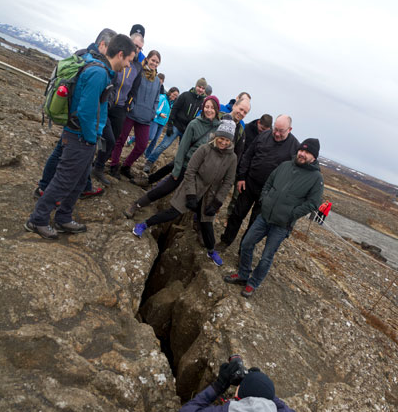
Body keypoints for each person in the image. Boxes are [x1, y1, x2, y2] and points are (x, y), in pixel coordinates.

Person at [24, 34, 135, 240]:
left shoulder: (98, 68)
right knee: (64, 180)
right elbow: (86, 111)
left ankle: (63, 217)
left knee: (78, 181)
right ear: (120, 54)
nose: (128, 65)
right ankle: (37, 219)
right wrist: (92, 138)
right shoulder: (98, 74)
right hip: (80, 137)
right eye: (128, 59)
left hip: (81, 135)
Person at [224, 138, 324, 297]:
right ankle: (243, 274)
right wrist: (265, 200)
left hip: (282, 225)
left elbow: (313, 203)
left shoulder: (316, 178)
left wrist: (291, 214)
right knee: (247, 243)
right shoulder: (285, 166)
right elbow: (269, 183)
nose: (302, 154)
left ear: (314, 157)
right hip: (264, 217)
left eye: (307, 152)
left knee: (266, 257)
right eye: (301, 150)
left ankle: (253, 283)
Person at [132, 119, 237, 267]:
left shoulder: (232, 158)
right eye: (221, 138)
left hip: (210, 194)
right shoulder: (204, 149)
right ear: (216, 136)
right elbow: (190, 171)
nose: (224, 142)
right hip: (193, 186)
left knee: (206, 223)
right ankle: (144, 224)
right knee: (172, 212)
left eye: (227, 140)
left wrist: (217, 202)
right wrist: (191, 194)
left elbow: (228, 182)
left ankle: (211, 250)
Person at [34, 28, 118, 199]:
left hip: (72, 115)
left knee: (65, 152)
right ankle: (46, 190)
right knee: (65, 154)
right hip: (77, 119)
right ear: (102, 44)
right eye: (111, 48)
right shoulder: (95, 64)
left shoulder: (84, 55)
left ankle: (77, 186)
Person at [124, 95, 221, 220]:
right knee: (166, 188)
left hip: (200, 172)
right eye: (207, 107)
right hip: (187, 165)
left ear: (217, 109)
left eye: (212, 107)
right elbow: (182, 148)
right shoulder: (194, 124)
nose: (209, 110)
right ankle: (137, 204)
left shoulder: (218, 128)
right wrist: (177, 169)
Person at [219, 114, 299, 249]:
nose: (277, 134)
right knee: (237, 214)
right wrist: (242, 177)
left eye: (281, 131)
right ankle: (225, 241)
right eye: (275, 129)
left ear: (289, 130)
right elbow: (248, 155)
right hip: (249, 184)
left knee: (254, 223)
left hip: (269, 193)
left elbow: (295, 173)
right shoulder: (264, 136)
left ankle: (243, 250)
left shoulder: (294, 147)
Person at [110, 50, 161, 181]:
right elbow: (131, 90)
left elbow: (156, 99)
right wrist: (130, 106)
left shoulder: (157, 81)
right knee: (121, 140)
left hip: (146, 118)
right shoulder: (139, 73)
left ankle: (126, 165)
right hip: (131, 113)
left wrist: (152, 113)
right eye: (152, 60)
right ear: (148, 59)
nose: (154, 63)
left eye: (157, 61)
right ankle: (114, 165)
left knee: (142, 145)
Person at [107, 31, 145, 178]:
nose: (137, 50)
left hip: (121, 108)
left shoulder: (137, 67)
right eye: (135, 45)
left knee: (113, 139)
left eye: (140, 48)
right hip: (107, 103)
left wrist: (128, 105)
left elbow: (134, 90)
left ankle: (100, 165)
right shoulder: (118, 56)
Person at [145, 78, 207, 160]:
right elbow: (174, 109)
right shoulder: (185, 95)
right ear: (196, 86)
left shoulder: (203, 102)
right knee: (164, 145)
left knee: (182, 152)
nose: (200, 89)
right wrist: (170, 125)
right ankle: (150, 161)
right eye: (199, 87)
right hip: (176, 126)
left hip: (187, 130)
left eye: (203, 88)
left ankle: (176, 170)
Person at [142, 86, 180, 173]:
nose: (174, 96)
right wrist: (160, 114)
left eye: (176, 96)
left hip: (162, 124)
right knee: (150, 137)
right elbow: (155, 108)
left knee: (155, 140)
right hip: (156, 120)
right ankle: (132, 139)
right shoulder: (162, 98)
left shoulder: (172, 103)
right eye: (174, 94)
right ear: (170, 92)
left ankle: (147, 154)